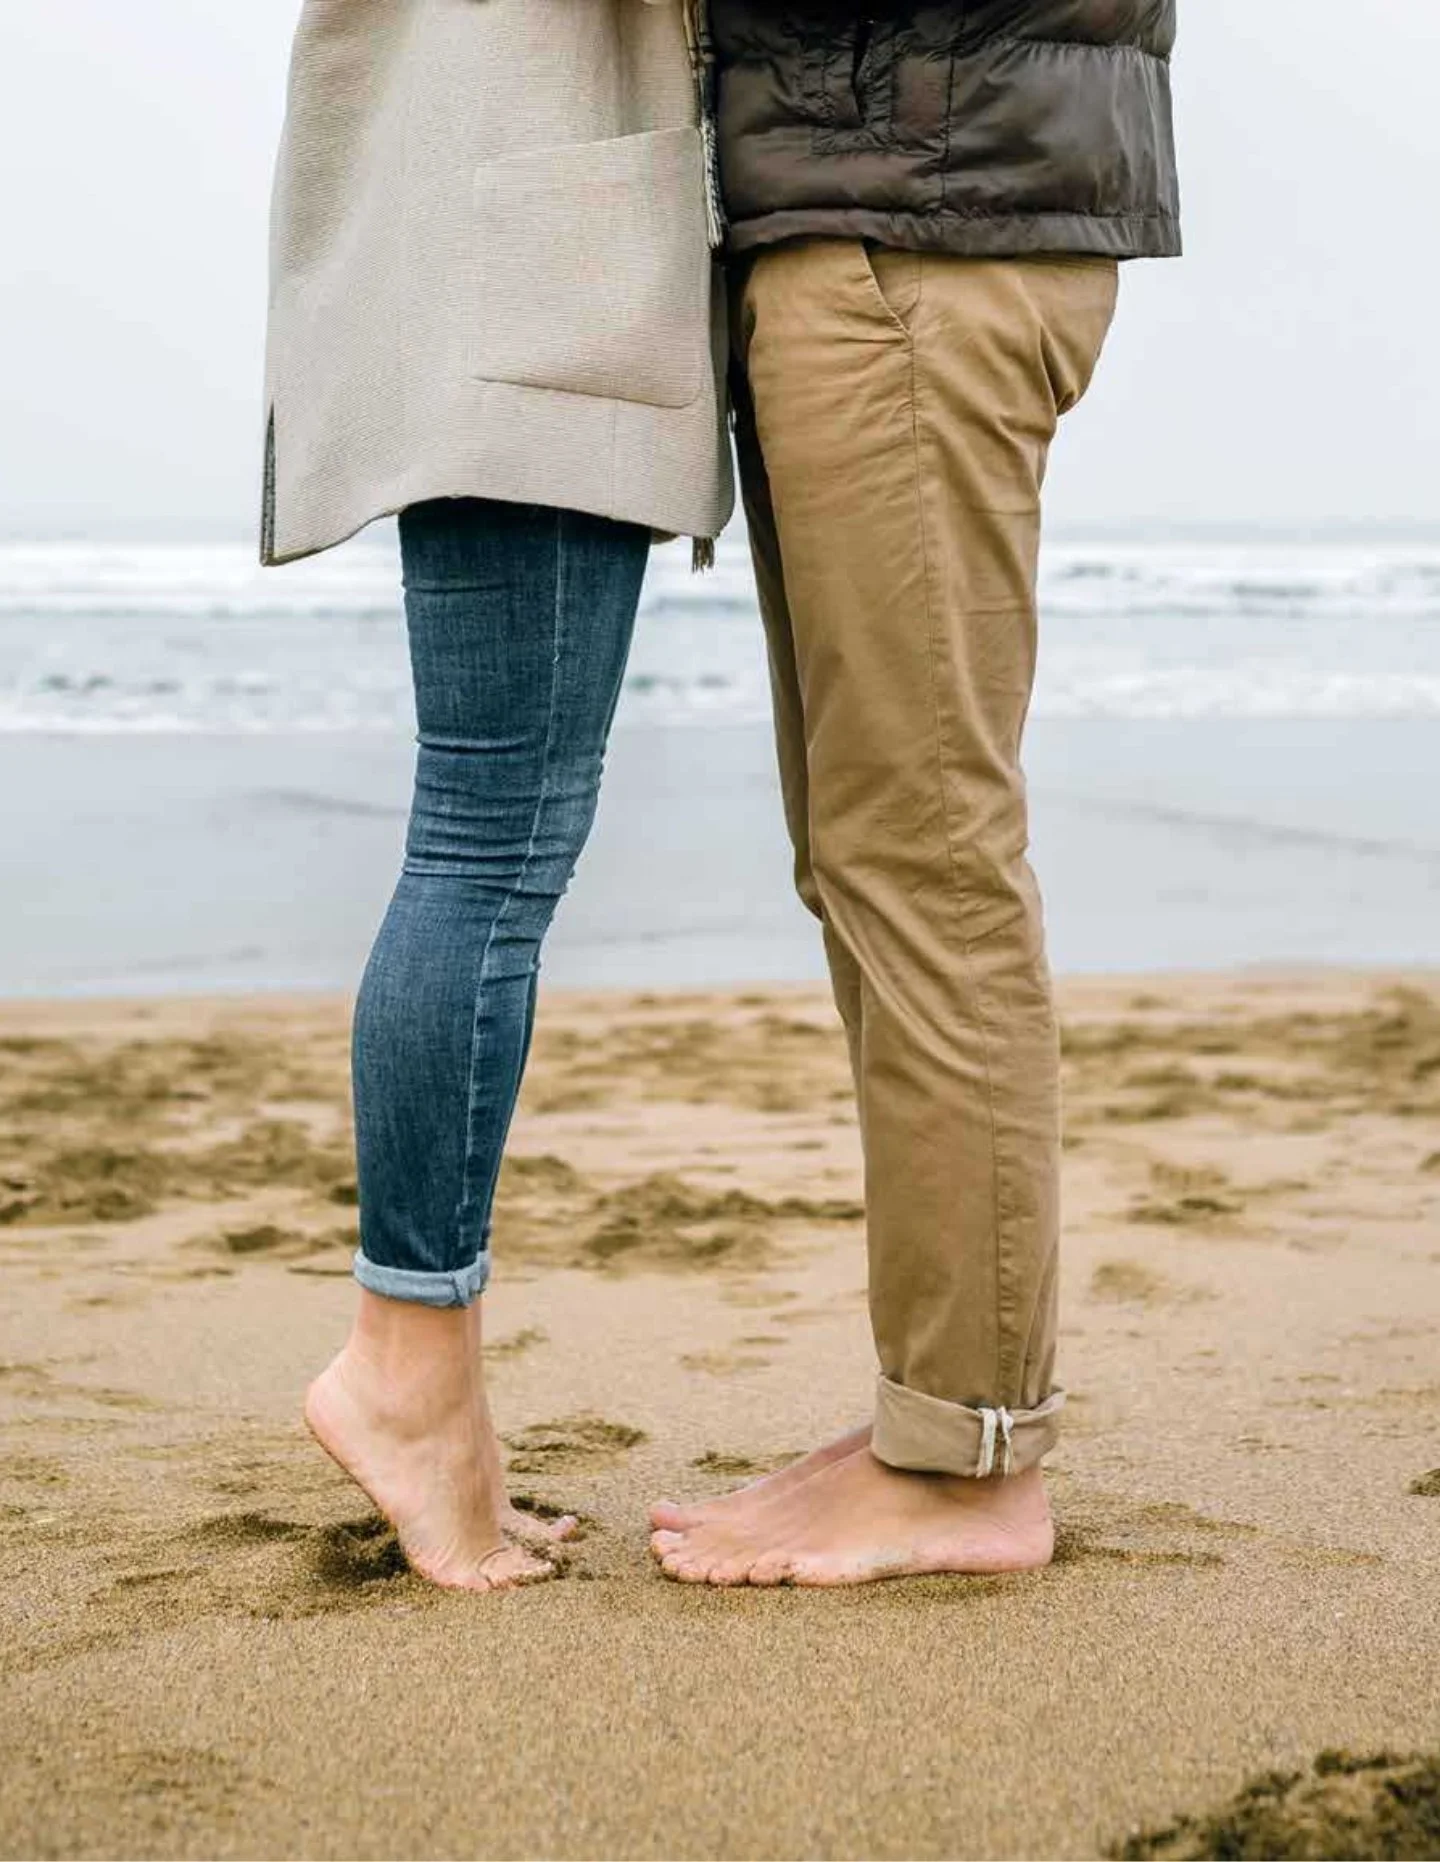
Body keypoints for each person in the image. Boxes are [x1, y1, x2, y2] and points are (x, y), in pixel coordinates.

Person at [651, 2, 1181, 1586]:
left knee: (921, 850)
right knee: (873, 848)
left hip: (920, 210)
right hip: (893, 195)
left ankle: (971, 1450)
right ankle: (936, 1418)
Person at [262, 0, 732, 1589]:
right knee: (486, 845)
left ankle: (434, 1386)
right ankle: (401, 1370)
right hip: (533, 272)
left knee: (478, 838)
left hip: (488, 258)